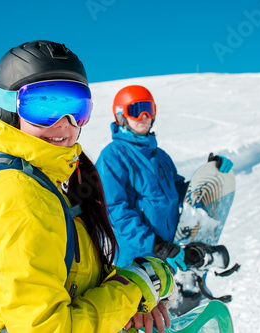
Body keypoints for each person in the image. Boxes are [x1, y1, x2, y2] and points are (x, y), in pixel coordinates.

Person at [0, 40, 177, 333]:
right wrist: (135, 288)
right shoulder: (17, 196)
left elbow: (76, 284)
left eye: (77, 108)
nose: (65, 124)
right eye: (44, 106)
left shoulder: (48, 184)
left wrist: (134, 295)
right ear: (6, 110)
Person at [95, 85, 233, 272]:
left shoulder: (161, 156)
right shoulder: (113, 156)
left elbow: (181, 192)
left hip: (169, 252)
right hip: (135, 259)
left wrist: (210, 172)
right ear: (121, 116)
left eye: (148, 109)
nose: (144, 116)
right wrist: (156, 245)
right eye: (136, 110)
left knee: (168, 300)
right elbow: (114, 211)